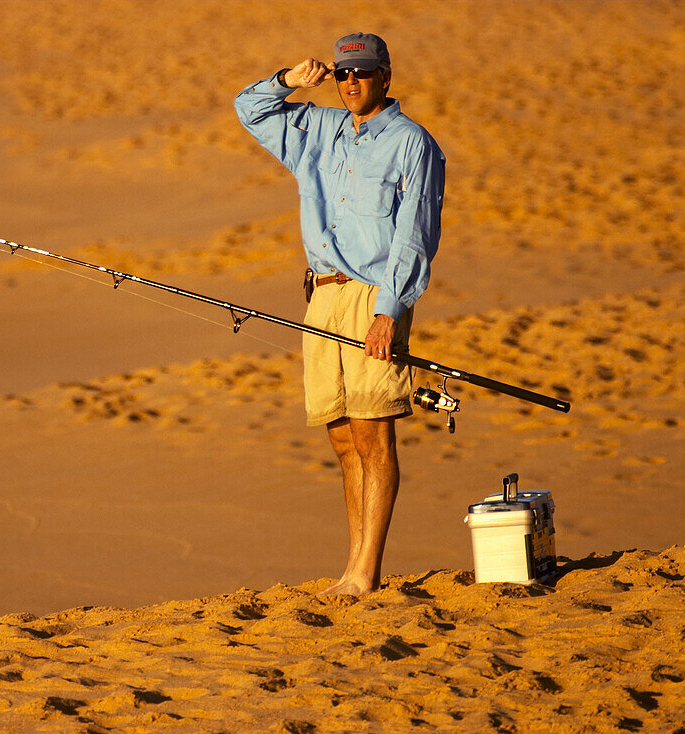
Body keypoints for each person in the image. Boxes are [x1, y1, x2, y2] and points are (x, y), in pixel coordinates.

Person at [235, 33, 445, 596]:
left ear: (385, 77)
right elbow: (247, 109)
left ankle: (366, 574)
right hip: (321, 295)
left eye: (364, 73)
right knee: (342, 435)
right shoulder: (317, 129)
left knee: (374, 431)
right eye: (344, 74)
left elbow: (415, 235)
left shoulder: (412, 143)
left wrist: (390, 311)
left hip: (374, 295)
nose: (352, 83)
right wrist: (288, 80)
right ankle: (351, 567)